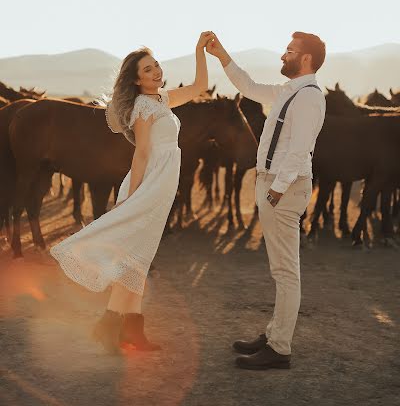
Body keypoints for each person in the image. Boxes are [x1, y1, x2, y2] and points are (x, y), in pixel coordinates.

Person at [50, 31, 215, 355]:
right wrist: (131, 197)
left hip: (161, 185)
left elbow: (199, 88)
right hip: (149, 185)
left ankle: (130, 329)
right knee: (132, 259)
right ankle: (109, 326)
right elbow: (140, 153)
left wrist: (199, 51)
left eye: (156, 66)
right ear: (137, 81)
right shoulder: (143, 106)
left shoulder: (161, 99)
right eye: (148, 70)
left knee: (138, 260)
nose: (156, 72)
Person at [206, 31, 326, 370]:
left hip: (284, 189)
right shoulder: (290, 92)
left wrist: (276, 189)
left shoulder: (310, 97)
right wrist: (222, 56)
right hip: (274, 186)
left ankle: (280, 349)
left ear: (305, 59)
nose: (282, 56)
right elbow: (248, 86)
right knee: (280, 270)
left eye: (289, 51)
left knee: (286, 272)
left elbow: (300, 149)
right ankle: (274, 334)